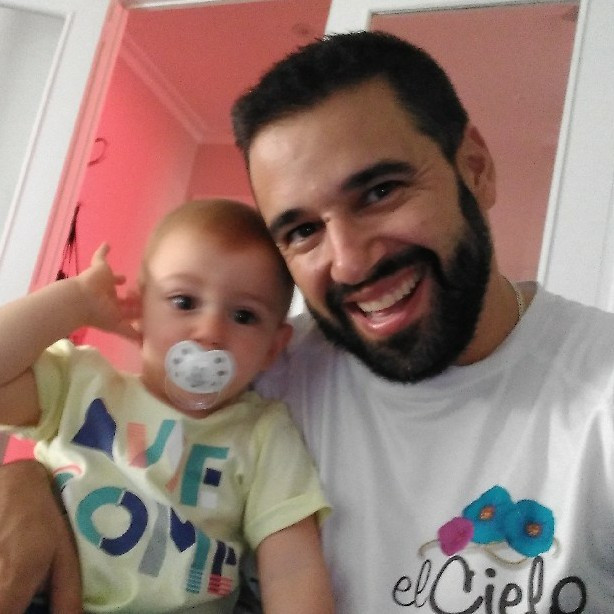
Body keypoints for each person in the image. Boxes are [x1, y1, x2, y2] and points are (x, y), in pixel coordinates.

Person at [0, 29, 613, 613]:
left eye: (380, 192)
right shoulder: (266, 380)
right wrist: (28, 484)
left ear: (475, 168)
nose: (349, 262)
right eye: (301, 231)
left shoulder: (598, 398)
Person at [0, 199, 333, 613]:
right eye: (184, 302)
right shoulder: (81, 385)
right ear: (141, 310)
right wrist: (75, 301)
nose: (209, 331)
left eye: (244, 316)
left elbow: (292, 568)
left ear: (272, 348)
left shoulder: (264, 433)